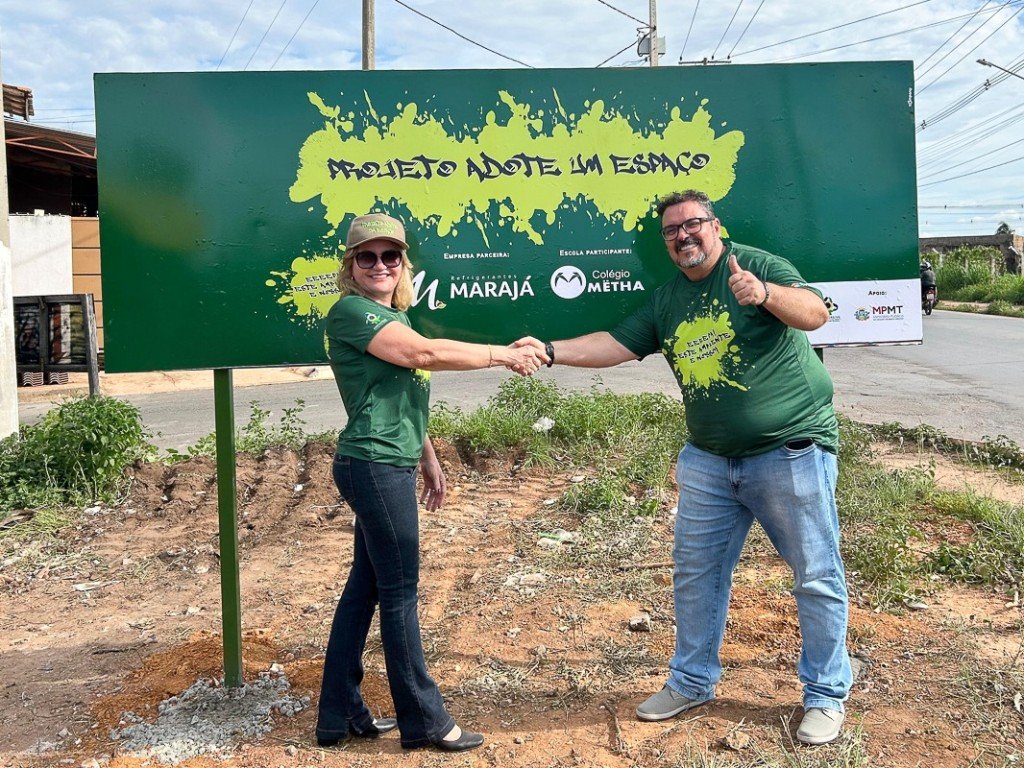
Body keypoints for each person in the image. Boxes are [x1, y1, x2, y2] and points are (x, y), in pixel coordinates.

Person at [516, 190, 852, 745]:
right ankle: (692, 681)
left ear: (714, 226)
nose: (682, 236)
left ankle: (824, 694)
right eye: (672, 230)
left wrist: (765, 294)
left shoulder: (755, 265)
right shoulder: (668, 300)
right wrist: (550, 350)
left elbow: (815, 313)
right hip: (709, 462)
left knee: (815, 576)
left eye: (692, 224)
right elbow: (615, 344)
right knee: (696, 575)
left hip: (790, 450)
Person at [316, 212, 546, 752]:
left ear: (403, 263)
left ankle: (338, 712)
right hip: (374, 465)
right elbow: (422, 355)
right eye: (367, 256)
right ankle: (424, 721)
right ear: (350, 266)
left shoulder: (390, 317)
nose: (380, 265)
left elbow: (402, 392)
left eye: (390, 256)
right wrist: (502, 354)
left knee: (366, 588)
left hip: (386, 462)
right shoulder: (352, 312)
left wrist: (429, 457)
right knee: (400, 591)